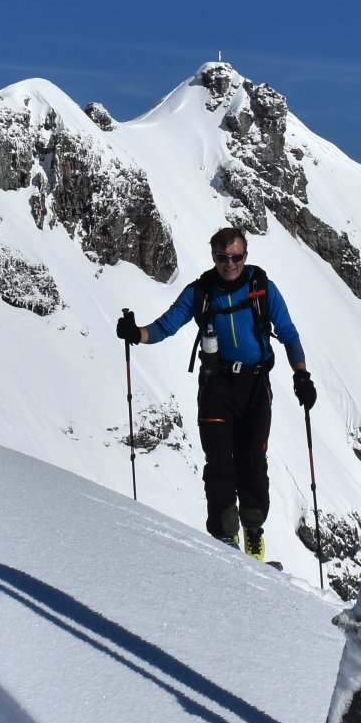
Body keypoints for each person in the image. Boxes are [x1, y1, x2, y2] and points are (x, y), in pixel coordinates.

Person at [117, 227, 316, 560]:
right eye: (223, 257)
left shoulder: (262, 289)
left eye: (236, 257)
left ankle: (253, 529)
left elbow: (288, 333)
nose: (230, 264)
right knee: (219, 463)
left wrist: (302, 376)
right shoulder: (201, 292)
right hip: (216, 385)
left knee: (252, 460)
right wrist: (136, 333)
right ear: (214, 257)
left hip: (255, 385)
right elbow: (166, 326)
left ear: (245, 256)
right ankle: (225, 536)